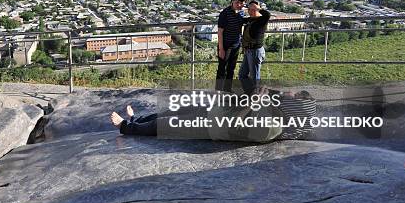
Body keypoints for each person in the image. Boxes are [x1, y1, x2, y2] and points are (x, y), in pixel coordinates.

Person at [110, 90, 316, 141]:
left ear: (294, 106)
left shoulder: (273, 127)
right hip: (212, 109)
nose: (289, 94)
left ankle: (126, 128)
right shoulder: (275, 108)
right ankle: (135, 120)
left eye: (294, 96)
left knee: (164, 124)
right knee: (170, 111)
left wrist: (255, 102)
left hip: (209, 125)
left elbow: (234, 125)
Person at [216, 0, 246, 92]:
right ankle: (219, 91)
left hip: (236, 45)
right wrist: (221, 49)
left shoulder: (241, 13)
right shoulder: (225, 13)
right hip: (225, 45)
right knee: (222, 69)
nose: (239, 5)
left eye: (241, 3)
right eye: (237, 2)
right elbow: (220, 32)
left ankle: (227, 90)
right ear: (232, 2)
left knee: (231, 69)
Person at [238, 1, 271, 95]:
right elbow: (240, 20)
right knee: (242, 75)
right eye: (249, 9)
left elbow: (268, 15)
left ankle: (256, 96)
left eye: (253, 9)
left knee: (254, 77)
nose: (250, 11)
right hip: (249, 51)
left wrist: (257, 8)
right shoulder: (250, 19)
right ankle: (250, 93)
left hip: (255, 51)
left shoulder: (262, 20)